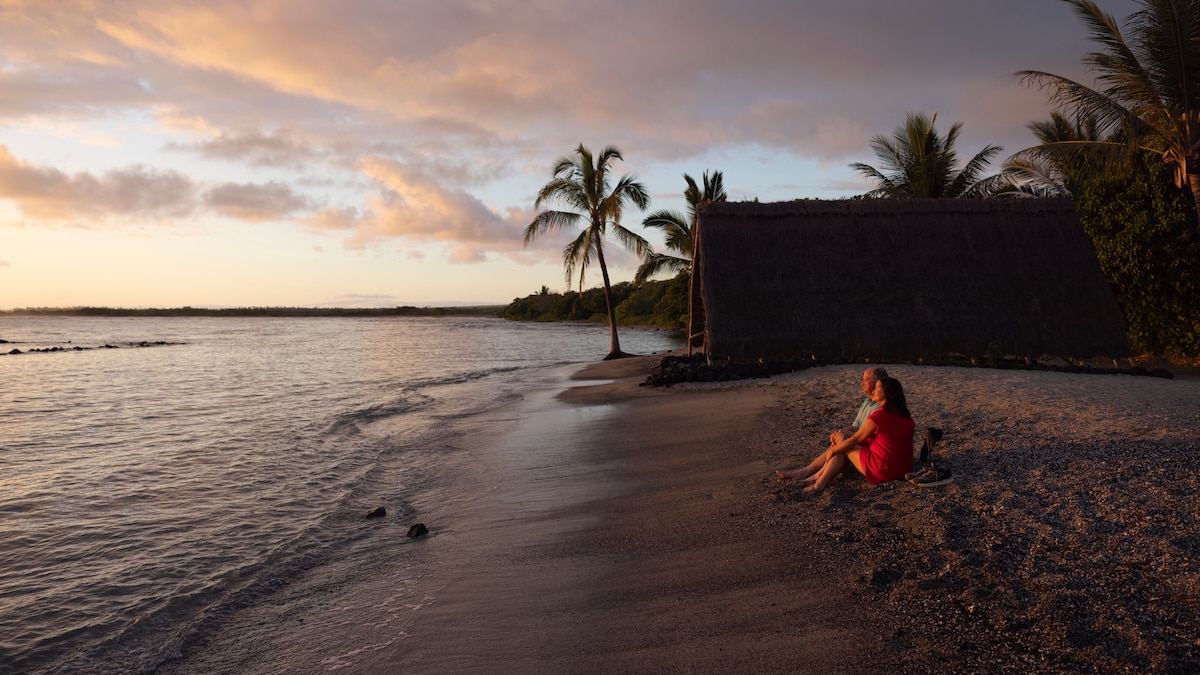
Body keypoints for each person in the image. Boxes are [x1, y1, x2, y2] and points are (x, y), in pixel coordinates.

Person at [776, 376, 914, 492]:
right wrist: (842, 437)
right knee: (844, 441)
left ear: (888, 393)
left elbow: (856, 439)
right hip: (903, 469)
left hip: (884, 470)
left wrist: (834, 449)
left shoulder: (879, 416)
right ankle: (811, 473)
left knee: (844, 446)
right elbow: (883, 442)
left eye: (878, 388)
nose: (874, 390)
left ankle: (819, 481)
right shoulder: (906, 416)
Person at [829, 366, 889, 446]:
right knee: (838, 441)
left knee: (839, 446)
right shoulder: (867, 401)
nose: (862, 383)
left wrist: (844, 435)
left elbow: (867, 437)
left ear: (878, 383)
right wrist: (840, 434)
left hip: (868, 443)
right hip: (858, 438)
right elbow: (856, 425)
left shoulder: (882, 408)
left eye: (866, 380)